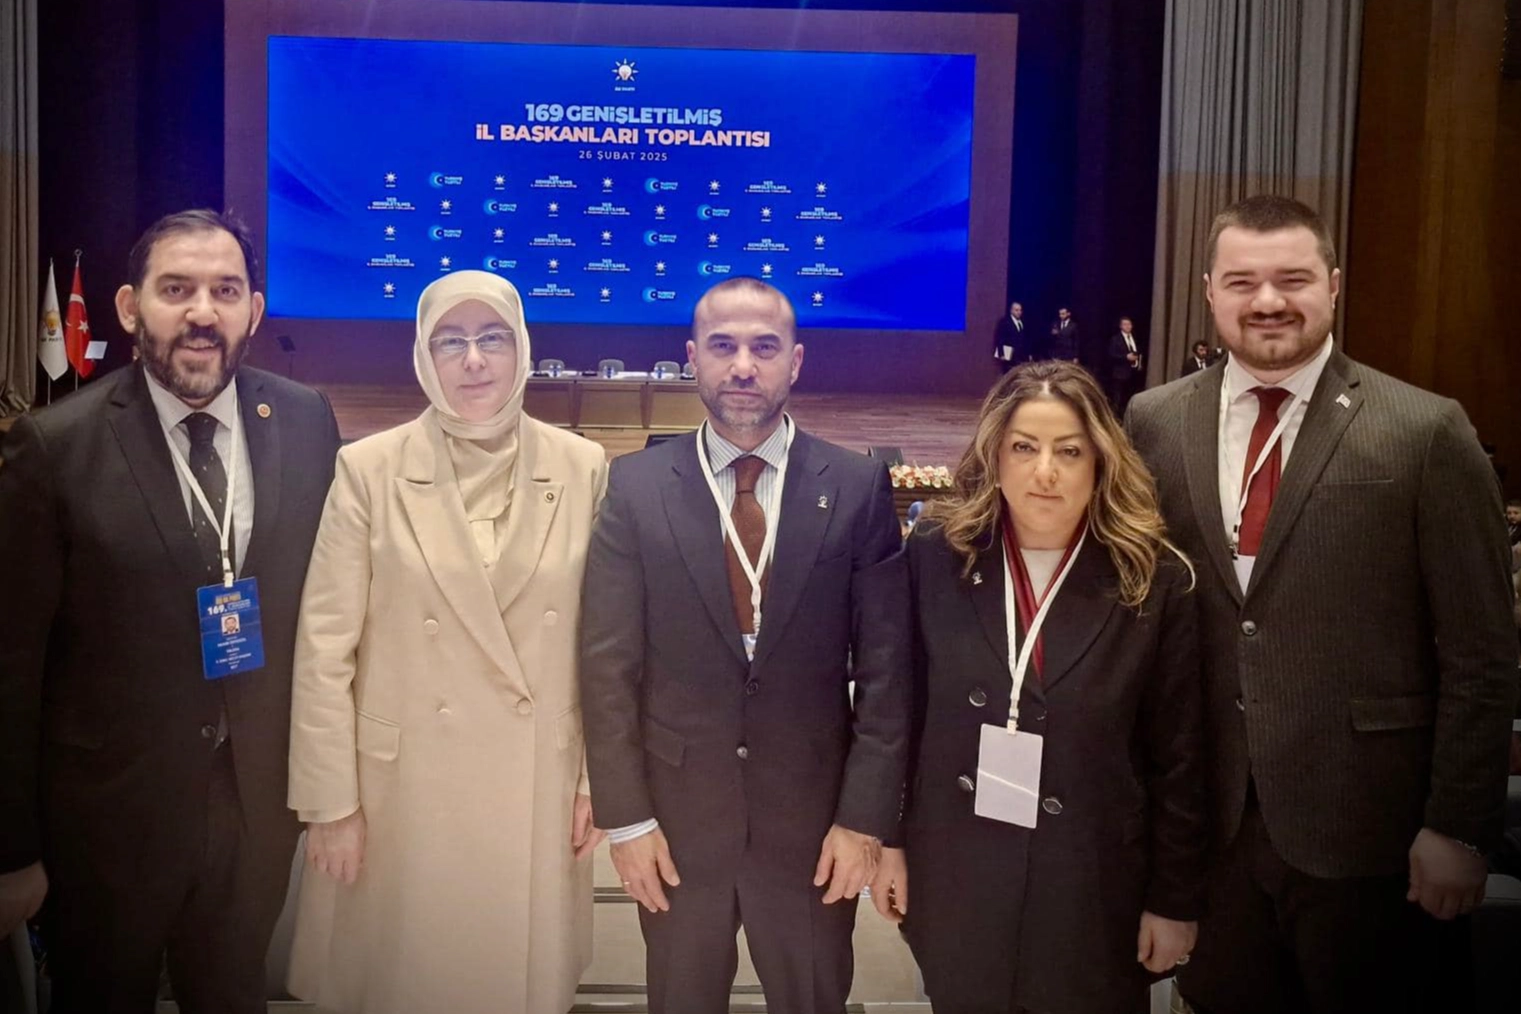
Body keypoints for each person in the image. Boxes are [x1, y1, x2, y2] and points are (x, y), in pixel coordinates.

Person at [1125, 195, 1517, 1014]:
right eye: (1242, 282)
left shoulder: (1424, 430)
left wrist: (1458, 825)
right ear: (1209, 292)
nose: (1267, 301)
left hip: (1371, 832)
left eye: (1292, 279)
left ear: (1333, 285)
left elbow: (1481, 653)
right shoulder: (1153, 421)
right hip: (1211, 831)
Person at [0, 209, 341, 1012]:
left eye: (226, 291)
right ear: (130, 307)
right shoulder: (53, 446)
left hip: (256, 812)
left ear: (253, 310)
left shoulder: (305, 420)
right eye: (177, 289)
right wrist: (12, 849)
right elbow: (11, 664)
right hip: (106, 822)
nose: (202, 313)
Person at [579, 276, 911, 1014]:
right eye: (723, 346)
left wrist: (863, 818)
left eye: (764, 347)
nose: (742, 366)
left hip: (815, 827)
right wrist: (627, 821)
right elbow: (606, 667)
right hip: (675, 826)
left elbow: (888, 674)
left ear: (795, 360)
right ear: (691, 357)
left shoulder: (856, 486)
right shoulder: (634, 486)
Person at [284, 271, 607, 1014]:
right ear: (422, 356)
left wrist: (596, 781)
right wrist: (330, 805)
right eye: (449, 341)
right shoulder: (369, 468)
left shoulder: (581, 465)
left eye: (493, 338)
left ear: (522, 348)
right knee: (410, 984)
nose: (474, 360)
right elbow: (325, 647)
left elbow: (603, 646)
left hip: (539, 781)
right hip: (400, 796)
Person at [870, 360, 1206, 1014]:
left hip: (1092, 889)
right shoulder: (937, 553)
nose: (1045, 471)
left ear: (1100, 462)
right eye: (1024, 448)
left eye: (1068, 451)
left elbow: (1180, 758)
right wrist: (891, 841)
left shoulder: (1153, 578)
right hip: (960, 877)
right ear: (995, 457)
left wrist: (1173, 899)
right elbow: (899, 712)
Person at [1105, 316, 1145, 414]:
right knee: (1118, 397)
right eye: (1125, 324)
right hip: (1120, 372)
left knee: (1131, 395)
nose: (1127, 326)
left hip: (1134, 372)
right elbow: (1111, 354)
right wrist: (1125, 357)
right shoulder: (1115, 339)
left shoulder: (1135, 337)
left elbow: (1140, 351)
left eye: (1129, 324)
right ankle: (1117, 415)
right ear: (1121, 326)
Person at [993, 301, 1029, 374]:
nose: (1019, 312)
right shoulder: (1005, 322)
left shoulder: (1021, 322)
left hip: (1020, 355)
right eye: (1016, 310)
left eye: (1020, 310)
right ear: (1011, 310)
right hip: (1009, 354)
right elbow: (1000, 338)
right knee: (1008, 373)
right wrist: (1001, 354)